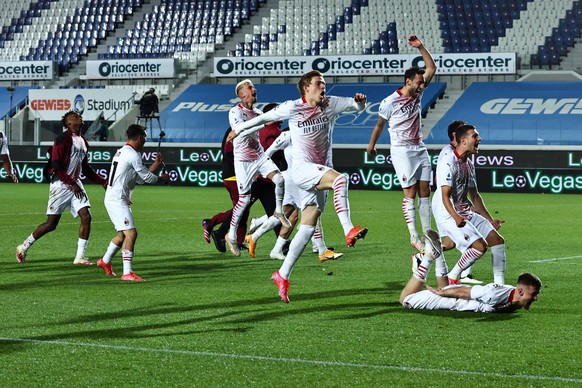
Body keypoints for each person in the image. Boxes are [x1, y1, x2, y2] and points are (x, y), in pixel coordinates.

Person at [228, 70, 368, 303]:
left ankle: (282, 275)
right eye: (318, 84)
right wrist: (238, 130)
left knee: (307, 227)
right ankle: (348, 230)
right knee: (341, 179)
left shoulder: (330, 103)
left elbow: (356, 107)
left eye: (323, 83)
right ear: (306, 88)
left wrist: (361, 104)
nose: (323, 87)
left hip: (320, 171)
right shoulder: (292, 107)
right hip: (303, 170)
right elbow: (262, 118)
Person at [367, 35, 437, 252]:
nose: (422, 85)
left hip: (419, 147)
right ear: (408, 81)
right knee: (410, 191)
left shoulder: (418, 93)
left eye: (422, 83)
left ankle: (427, 233)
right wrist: (371, 145)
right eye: (419, 82)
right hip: (402, 150)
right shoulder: (389, 102)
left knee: (425, 190)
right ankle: (414, 236)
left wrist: (421, 47)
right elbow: (379, 125)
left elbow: (431, 67)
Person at [16, 111, 107, 264]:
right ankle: (24, 246)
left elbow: (85, 168)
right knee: (51, 224)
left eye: (78, 115)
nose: (78, 116)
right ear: (68, 123)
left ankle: (79, 257)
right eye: (74, 116)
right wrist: (71, 183)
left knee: (86, 216)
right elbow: (56, 166)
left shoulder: (83, 141)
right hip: (61, 185)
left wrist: (103, 182)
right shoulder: (62, 139)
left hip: (75, 184)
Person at [202, 103, 283, 253]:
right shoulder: (239, 131)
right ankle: (214, 226)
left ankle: (236, 238)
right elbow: (230, 153)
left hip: (253, 176)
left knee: (247, 208)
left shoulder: (248, 129)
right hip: (237, 175)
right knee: (243, 207)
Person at [432, 124, 506, 285]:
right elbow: (444, 195)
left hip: (464, 210)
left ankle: (499, 285)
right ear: (463, 141)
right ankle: (452, 278)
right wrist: (455, 217)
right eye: (475, 136)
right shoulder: (448, 160)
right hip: (449, 212)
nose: (479, 139)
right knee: (479, 246)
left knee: (497, 241)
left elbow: (475, 195)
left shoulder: (468, 164)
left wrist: (490, 220)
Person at [400, 230, 542, 313]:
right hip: (452, 299)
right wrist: (441, 293)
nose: (536, 298)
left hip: (455, 296)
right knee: (405, 299)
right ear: (521, 291)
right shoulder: (493, 293)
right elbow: (463, 292)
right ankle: (428, 258)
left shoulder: (515, 299)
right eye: (534, 294)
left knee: (445, 288)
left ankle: (438, 254)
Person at [224, 79, 289, 257]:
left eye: (254, 87)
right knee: (243, 201)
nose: (255, 89)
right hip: (244, 160)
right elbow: (240, 129)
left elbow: (263, 124)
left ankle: (278, 211)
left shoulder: (259, 113)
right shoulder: (235, 111)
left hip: (259, 156)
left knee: (279, 179)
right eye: (250, 88)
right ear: (242, 94)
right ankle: (231, 235)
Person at [97, 124, 169, 281]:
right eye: (144, 139)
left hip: (114, 197)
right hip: (117, 199)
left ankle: (104, 261)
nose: (144, 142)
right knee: (131, 233)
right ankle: (127, 273)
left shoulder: (123, 151)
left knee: (123, 235)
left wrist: (155, 165)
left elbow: (139, 179)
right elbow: (148, 179)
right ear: (140, 138)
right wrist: (162, 179)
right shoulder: (133, 155)